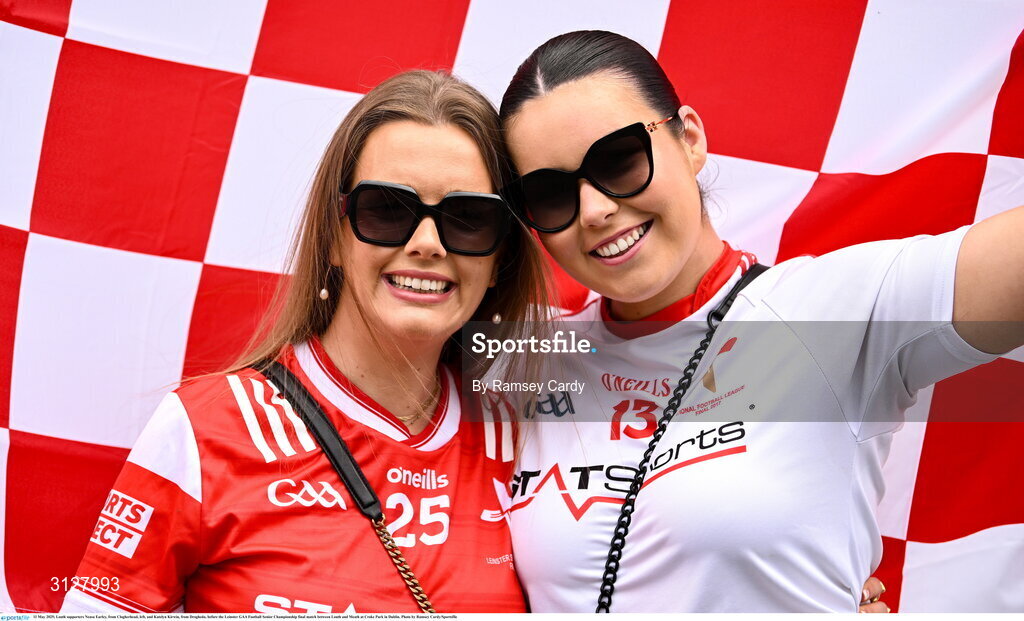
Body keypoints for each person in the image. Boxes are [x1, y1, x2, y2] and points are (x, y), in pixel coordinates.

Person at [496, 30, 1023, 613]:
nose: (594, 210)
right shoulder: (524, 364)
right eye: (549, 194)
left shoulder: (827, 311)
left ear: (690, 138)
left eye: (619, 159)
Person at [59, 70, 550, 614]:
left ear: (500, 255)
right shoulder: (202, 432)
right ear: (333, 236)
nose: (427, 243)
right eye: (388, 210)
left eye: (468, 219)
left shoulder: (529, 439)